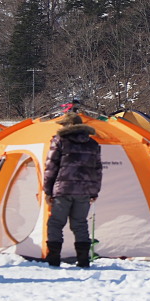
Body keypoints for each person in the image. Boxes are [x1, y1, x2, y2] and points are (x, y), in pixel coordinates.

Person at [43, 112, 102, 267]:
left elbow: (50, 168)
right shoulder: (92, 144)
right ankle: (83, 260)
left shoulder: (59, 141)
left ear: (67, 126)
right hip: (84, 191)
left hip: (63, 190)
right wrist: (94, 191)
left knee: (56, 223)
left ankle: (54, 258)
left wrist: (48, 191)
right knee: (80, 224)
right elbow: (97, 170)